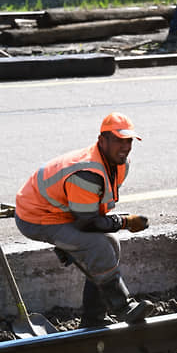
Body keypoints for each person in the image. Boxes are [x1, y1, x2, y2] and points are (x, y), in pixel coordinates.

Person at [15, 113, 153, 327]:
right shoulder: (86, 173)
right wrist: (125, 222)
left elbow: (94, 210)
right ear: (102, 140)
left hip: (66, 212)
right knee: (98, 247)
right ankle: (122, 306)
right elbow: (87, 223)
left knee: (111, 243)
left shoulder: (118, 164)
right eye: (118, 140)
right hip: (37, 217)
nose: (125, 146)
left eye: (129, 141)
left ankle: (93, 320)